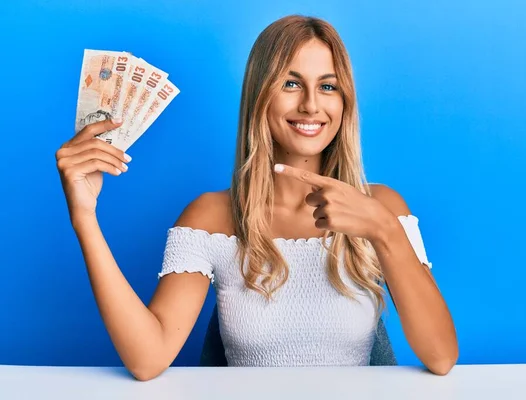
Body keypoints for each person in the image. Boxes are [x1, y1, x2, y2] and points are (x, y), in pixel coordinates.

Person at [55, 15, 458, 381]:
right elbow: (148, 358)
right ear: (260, 95)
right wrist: (85, 217)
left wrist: (384, 229)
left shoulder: (383, 208)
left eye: (328, 86)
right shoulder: (210, 216)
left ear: (345, 101)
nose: (311, 105)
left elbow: (441, 357)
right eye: (291, 83)